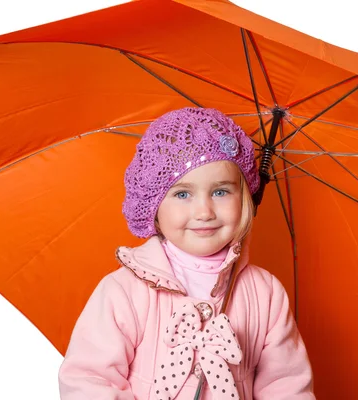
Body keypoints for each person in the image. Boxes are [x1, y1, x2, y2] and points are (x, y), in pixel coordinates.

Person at [58, 108, 314, 399]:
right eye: (182, 194)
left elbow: (286, 386)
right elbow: (90, 380)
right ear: (154, 206)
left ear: (244, 198)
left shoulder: (265, 294)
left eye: (220, 192)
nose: (204, 212)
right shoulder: (125, 291)